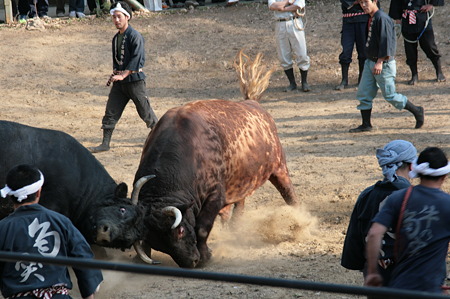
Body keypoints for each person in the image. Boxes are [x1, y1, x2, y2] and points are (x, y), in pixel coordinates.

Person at [0, 164, 103, 298]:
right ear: (38, 192)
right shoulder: (61, 221)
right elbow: (83, 257)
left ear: (10, 196)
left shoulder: (3, 228)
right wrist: (89, 293)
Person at [365, 147, 450, 293]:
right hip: (431, 289)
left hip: (401, 287)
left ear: (415, 170)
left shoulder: (398, 198)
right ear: (445, 175)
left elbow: (374, 234)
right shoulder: (447, 204)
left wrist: (372, 272)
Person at [341, 140, 417, 287]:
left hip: (376, 276)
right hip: (409, 275)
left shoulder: (367, 195)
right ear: (412, 166)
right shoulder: (416, 197)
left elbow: (355, 239)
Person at [89, 1, 158, 153]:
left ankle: (160, 139)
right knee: (111, 111)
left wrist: (125, 74)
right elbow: (118, 60)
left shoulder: (135, 36)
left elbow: (137, 58)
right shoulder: (116, 38)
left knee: (146, 112)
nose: (116, 20)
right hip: (120, 83)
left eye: (119, 16)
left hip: (135, 81)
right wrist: (116, 73)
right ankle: (105, 143)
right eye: (114, 17)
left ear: (127, 17)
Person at [349, 0, 424, 133]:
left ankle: (417, 111)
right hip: (370, 62)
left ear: (375, 1)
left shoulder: (382, 19)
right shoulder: (372, 17)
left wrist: (379, 62)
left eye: (366, 2)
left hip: (383, 64)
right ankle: (366, 124)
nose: (363, 5)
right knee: (364, 93)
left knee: (390, 95)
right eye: (361, 3)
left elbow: (387, 42)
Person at [389, 0, 446, 85]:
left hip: (422, 17)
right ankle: (414, 75)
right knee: (410, 49)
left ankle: (439, 71)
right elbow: (395, 3)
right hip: (406, 19)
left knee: (429, 46)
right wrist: (397, 19)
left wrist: (431, 4)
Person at [268, 0, 311, 92]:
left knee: (301, 53)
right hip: (280, 23)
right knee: (283, 55)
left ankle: (304, 82)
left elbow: (298, 6)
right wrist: (288, 2)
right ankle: (292, 83)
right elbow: (272, 6)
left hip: (294, 22)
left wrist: (282, 8)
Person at [335, 0, 376, 90]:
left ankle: (362, 79)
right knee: (346, 51)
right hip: (348, 20)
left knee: (363, 52)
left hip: (363, 19)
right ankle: (344, 80)